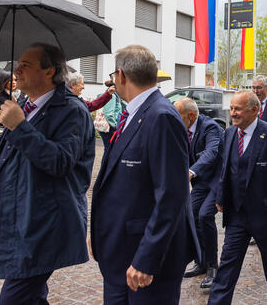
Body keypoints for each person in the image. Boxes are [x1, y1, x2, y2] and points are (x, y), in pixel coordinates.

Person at [0, 43, 95, 305]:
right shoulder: (25, 104)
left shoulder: (71, 110)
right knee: (30, 297)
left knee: (14, 298)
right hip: (20, 217)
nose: (16, 70)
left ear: (49, 71)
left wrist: (19, 126)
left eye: (26, 65)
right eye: (18, 64)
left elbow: (60, 162)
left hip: (44, 223)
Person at [90, 45, 195, 304]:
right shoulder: (134, 113)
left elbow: (172, 194)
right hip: (121, 253)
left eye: (114, 77)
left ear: (121, 75)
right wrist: (100, 233)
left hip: (146, 263)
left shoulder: (161, 117)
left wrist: (146, 259)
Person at [209, 91, 267, 305]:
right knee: (227, 266)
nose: (233, 113)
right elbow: (225, 170)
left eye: (237, 109)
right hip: (237, 216)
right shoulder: (229, 134)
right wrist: (221, 196)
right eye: (231, 108)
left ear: (254, 110)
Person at [176, 98, 223, 289]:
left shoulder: (210, 127)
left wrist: (191, 171)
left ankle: (213, 267)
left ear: (191, 116)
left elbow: (211, 153)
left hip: (217, 181)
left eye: (177, 116)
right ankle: (201, 261)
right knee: (192, 216)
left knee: (204, 216)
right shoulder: (182, 127)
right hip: (200, 183)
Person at [99, 80, 125, 151]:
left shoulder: (116, 97)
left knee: (109, 149)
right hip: (109, 128)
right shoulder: (112, 96)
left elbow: (124, 106)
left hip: (109, 127)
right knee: (109, 150)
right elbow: (108, 114)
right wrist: (115, 126)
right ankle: (106, 162)